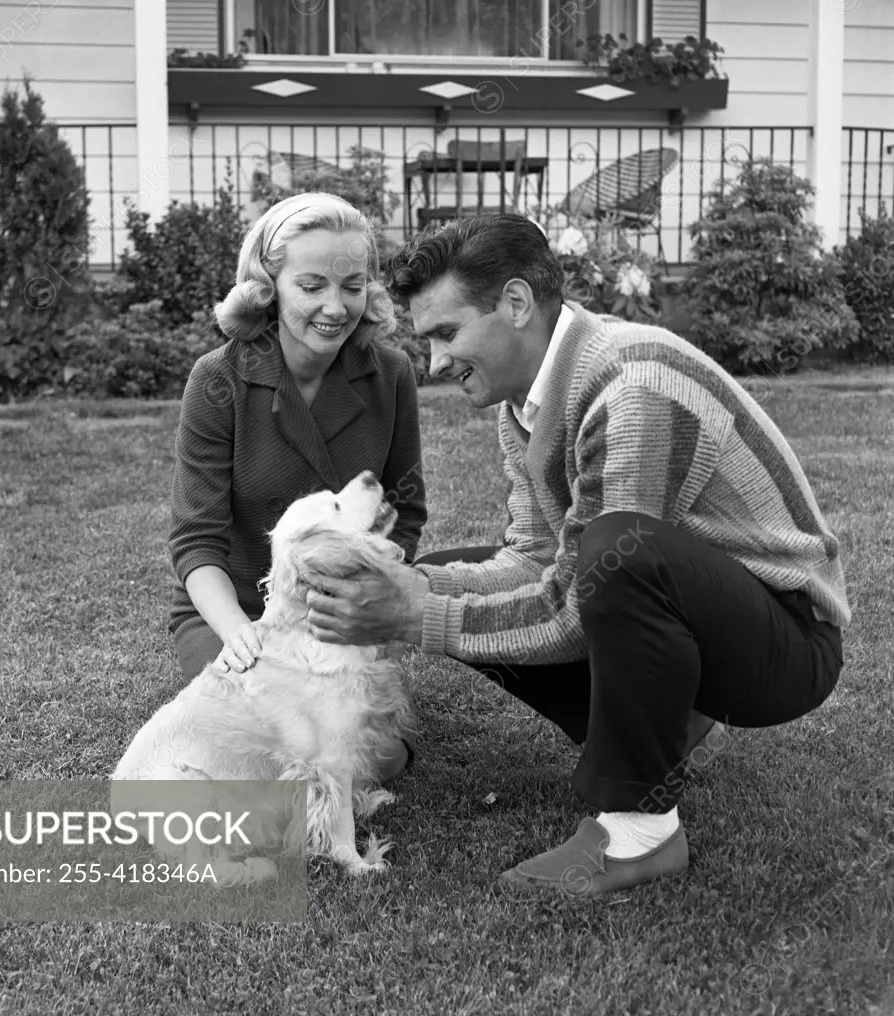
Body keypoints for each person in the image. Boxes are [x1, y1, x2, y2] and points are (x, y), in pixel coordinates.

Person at [303, 213, 849, 896]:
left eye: (447, 333)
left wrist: (418, 615)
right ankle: (665, 723)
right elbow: (535, 558)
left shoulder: (635, 384)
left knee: (616, 553)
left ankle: (638, 834)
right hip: (699, 616)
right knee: (445, 574)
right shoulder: (526, 403)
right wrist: (415, 590)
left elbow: (581, 596)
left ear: (514, 304)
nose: (436, 363)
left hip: (785, 645)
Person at [167, 192, 428, 778]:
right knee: (254, 749)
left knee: (381, 763)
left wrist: (363, 601)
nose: (336, 307)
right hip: (239, 611)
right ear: (268, 287)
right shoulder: (217, 380)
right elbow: (196, 542)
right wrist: (241, 636)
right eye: (311, 286)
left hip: (341, 611)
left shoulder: (391, 375)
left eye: (353, 286)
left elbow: (404, 510)